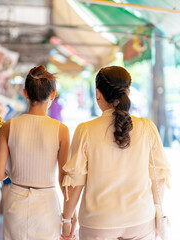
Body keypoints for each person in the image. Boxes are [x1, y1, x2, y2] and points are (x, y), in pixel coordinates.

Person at [61, 66, 171, 239]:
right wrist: (158, 211)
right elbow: (159, 176)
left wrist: (66, 220)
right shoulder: (146, 127)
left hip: (98, 223)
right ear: (127, 92)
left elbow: (75, 184)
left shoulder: (85, 130)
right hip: (141, 219)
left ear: (98, 93)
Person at [0, 65, 72, 239]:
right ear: (52, 95)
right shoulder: (61, 130)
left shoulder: (8, 126)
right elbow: (64, 181)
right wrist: (68, 220)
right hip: (47, 205)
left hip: (16, 203)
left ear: (25, 93)